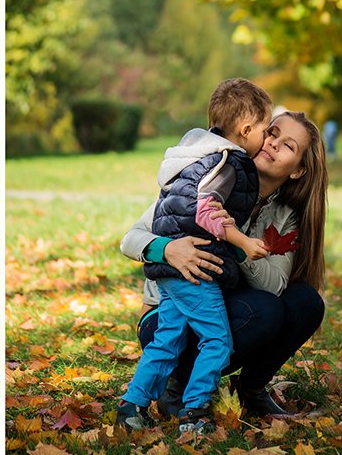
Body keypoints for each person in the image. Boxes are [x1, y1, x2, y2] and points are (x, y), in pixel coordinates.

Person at [121, 110, 327, 422]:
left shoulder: (286, 216)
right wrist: (169, 249)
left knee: (303, 302)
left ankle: (251, 389)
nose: (272, 143)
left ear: (298, 171)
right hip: (165, 319)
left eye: (287, 146)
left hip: (222, 307)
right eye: (272, 133)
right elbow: (131, 238)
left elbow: (274, 286)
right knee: (262, 309)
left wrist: (238, 241)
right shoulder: (214, 175)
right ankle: (175, 386)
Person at [115, 78, 273, 434]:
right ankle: (194, 412)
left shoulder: (195, 157)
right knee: (217, 341)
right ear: (246, 130)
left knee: (169, 339)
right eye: (266, 129)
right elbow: (206, 213)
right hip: (195, 271)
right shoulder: (226, 163)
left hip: (171, 276)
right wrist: (243, 243)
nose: (267, 138)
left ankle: (132, 406)